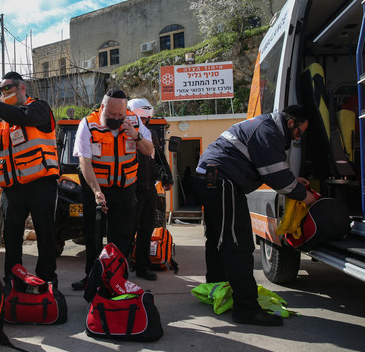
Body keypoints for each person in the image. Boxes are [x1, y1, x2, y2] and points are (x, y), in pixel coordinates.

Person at [194, 105, 316, 326]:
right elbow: (276, 176)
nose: (299, 137)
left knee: (218, 238)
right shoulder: (268, 131)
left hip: (209, 177)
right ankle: (246, 309)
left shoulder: (262, 126)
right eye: (299, 132)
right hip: (223, 181)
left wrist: (293, 181)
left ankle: (216, 287)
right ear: (290, 123)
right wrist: (302, 194)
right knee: (238, 244)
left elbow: (270, 169)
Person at [0, 71, 60, 286]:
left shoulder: (39, 108)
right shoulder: (2, 123)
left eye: (8, 88)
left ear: (22, 88)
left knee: (45, 234)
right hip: (13, 188)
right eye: (1, 90)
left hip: (40, 183)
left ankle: (47, 280)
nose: (4, 93)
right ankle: (13, 278)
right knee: (12, 236)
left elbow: (21, 117)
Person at [71, 89, 154, 290]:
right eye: (112, 114)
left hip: (125, 190)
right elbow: (85, 162)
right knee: (93, 235)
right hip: (96, 188)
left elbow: (149, 149)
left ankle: (117, 279)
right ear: (102, 108)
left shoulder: (134, 121)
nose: (117, 119)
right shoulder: (88, 124)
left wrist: (136, 135)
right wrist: (97, 191)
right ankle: (91, 277)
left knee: (122, 238)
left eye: (120, 115)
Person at [127, 98, 174, 281]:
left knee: (147, 229)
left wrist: (167, 176)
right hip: (131, 189)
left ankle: (142, 267)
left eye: (147, 119)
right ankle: (123, 265)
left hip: (149, 189)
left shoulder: (151, 135)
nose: (145, 122)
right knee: (128, 231)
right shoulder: (124, 134)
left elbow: (159, 157)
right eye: (142, 119)